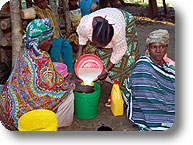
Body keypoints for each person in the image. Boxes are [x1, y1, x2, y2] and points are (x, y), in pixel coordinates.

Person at [0, 18, 93, 131]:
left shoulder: (25, 51)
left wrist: (70, 83)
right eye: (48, 40)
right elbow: (46, 89)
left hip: (8, 108)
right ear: (38, 41)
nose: (51, 42)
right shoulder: (41, 58)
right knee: (68, 95)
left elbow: (50, 79)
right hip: (21, 116)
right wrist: (77, 87)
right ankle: (56, 123)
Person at [123, 29, 175, 131]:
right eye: (154, 47)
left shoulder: (167, 66)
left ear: (166, 47)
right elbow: (138, 86)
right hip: (147, 105)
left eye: (162, 47)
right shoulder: (143, 65)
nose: (158, 51)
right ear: (148, 48)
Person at [76, 8, 139, 91]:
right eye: (95, 43)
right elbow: (82, 35)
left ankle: (122, 90)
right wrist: (79, 51)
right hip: (112, 17)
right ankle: (99, 80)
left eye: (103, 45)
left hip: (125, 22)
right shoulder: (85, 25)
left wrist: (106, 70)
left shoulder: (118, 32)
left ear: (110, 40)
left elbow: (119, 51)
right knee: (102, 57)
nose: (100, 47)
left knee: (125, 61)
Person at [33, 0, 73, 71]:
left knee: (68, 48)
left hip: (58, 34)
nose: (41, 4)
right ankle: (57, 73)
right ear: (35, 4)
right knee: (55, 56)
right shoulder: (36, 11)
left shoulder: (49, 8)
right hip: (51, 38)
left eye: (42, 2)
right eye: (38, 3)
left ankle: (69, 70)